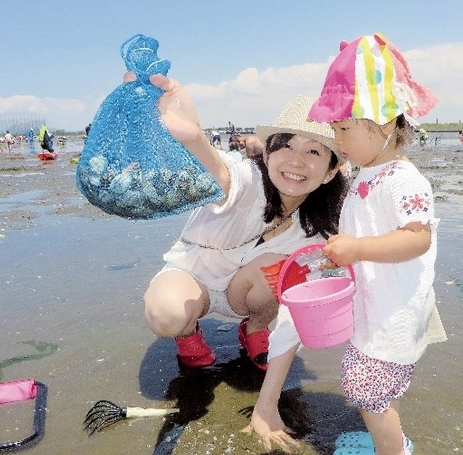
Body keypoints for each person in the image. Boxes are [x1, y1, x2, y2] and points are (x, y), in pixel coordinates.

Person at [244, 32, 446, 455]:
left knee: (367, 391)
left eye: (343, 129)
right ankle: (387, 442)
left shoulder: (404, 181)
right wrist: (344, 256)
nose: (337, 139)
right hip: (375, 305)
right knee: (366, 384)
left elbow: (416, 239)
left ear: (386, 123)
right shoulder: (368, 171)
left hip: (394, 313)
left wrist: (356, 249)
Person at [131, 70, 348, 372]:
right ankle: (186, 333)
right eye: (286, 146)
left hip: (246, 292)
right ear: (268, 154)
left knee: (285, 267)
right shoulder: (249, 179)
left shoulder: (326, 221)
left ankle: (255, 329)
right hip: (194, 276)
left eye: (313, 151)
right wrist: (194, 138)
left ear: (330, 171)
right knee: (165, 314)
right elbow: (221, 174)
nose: (296, 161)